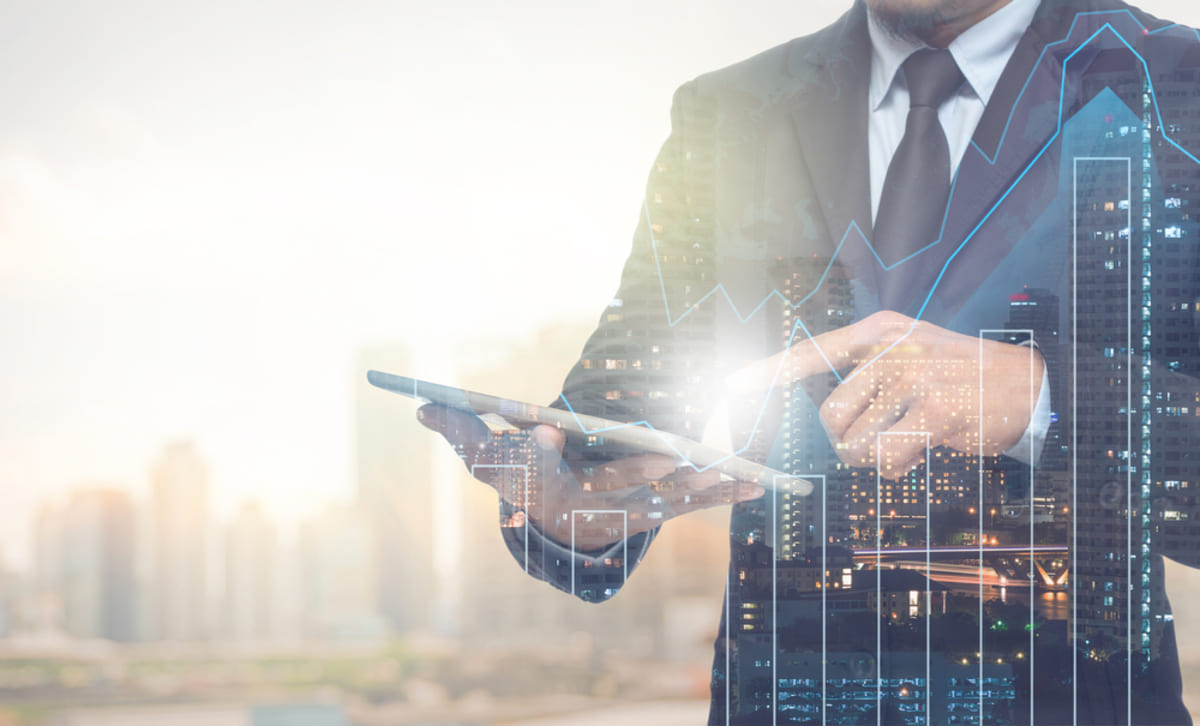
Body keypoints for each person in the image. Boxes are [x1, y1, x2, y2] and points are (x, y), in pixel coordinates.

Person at [419, 0, 1200, 722]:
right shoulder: (725, 116)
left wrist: (1042, 400)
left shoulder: (1177, 84)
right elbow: (618, 422)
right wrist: (574, 519)